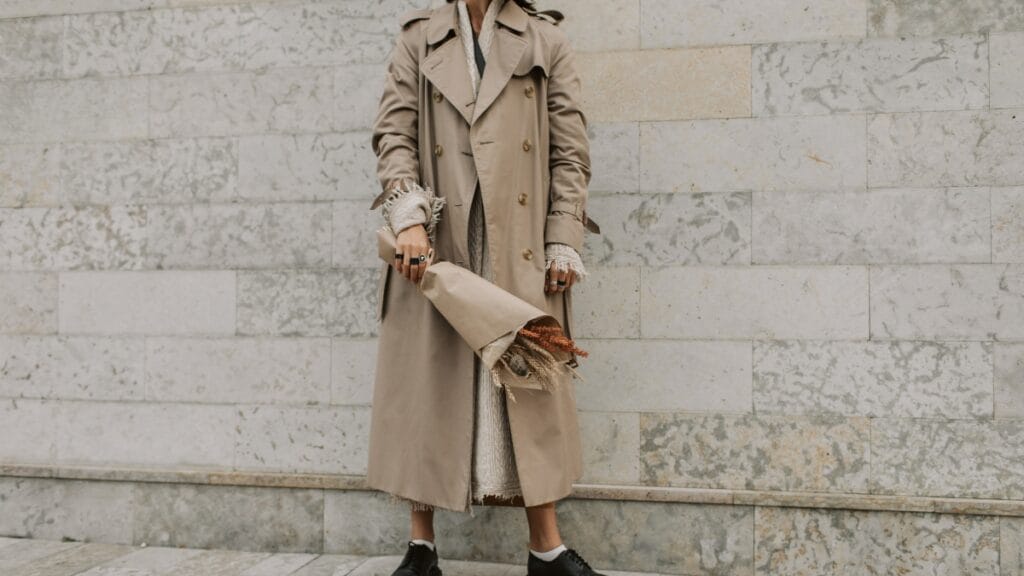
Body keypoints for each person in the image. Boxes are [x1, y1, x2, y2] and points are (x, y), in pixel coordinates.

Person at [367, 1, 603, 574]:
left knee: (526, 385)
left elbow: (570, 150)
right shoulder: (420, 39)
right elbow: (394, 132)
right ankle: (420, 549)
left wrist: (562, 236)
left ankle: (545, 548)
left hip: (515, 241)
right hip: (439, 239)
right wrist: (410, 219)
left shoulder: (545, 40)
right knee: (432, 392)